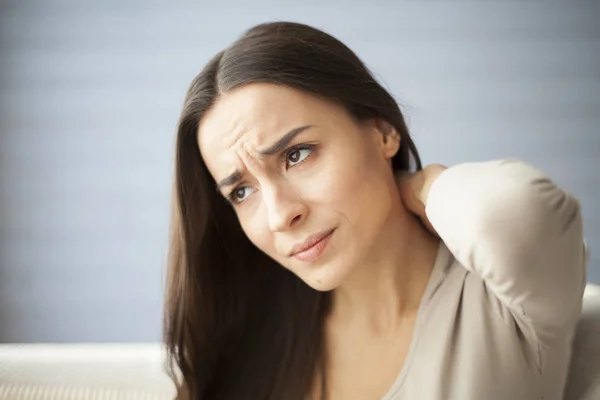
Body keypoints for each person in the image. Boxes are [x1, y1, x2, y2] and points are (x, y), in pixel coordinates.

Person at [163, 21, 588, 400]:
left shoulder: (502, 298)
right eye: (241, 192)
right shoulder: (248, 347)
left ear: (383, 130)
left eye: (297, 155)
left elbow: (520, 210)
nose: (279, 216)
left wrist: (423, 184)